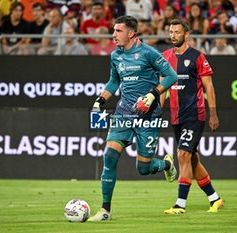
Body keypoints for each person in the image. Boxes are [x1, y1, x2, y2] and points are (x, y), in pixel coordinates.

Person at [88, 15, 178, 222]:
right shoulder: (115, 56)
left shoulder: (149, 53)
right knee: (109, 157)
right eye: (114, 31)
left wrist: (152, 95)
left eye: (118, 31)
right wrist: (100, 100)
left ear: (131, 33)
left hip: (148, 115)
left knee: (143, 168)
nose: (113, 35)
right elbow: (113, 82)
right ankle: (105, 210)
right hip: (123, 113)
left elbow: (172, 76)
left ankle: (166, 165)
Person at [161, 19, 223, 214]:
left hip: (195, 114)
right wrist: (156, 111)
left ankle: (180, 204)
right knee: (193, 159)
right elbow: (162, 87)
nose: (173, 35)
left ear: (186, 34)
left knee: (183, 155)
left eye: (177, 32)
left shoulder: (197, 56)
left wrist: (213, 113)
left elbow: (209, 86)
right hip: (176, 116)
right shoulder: (164, 58)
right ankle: (215, 198)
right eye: (171, 32)